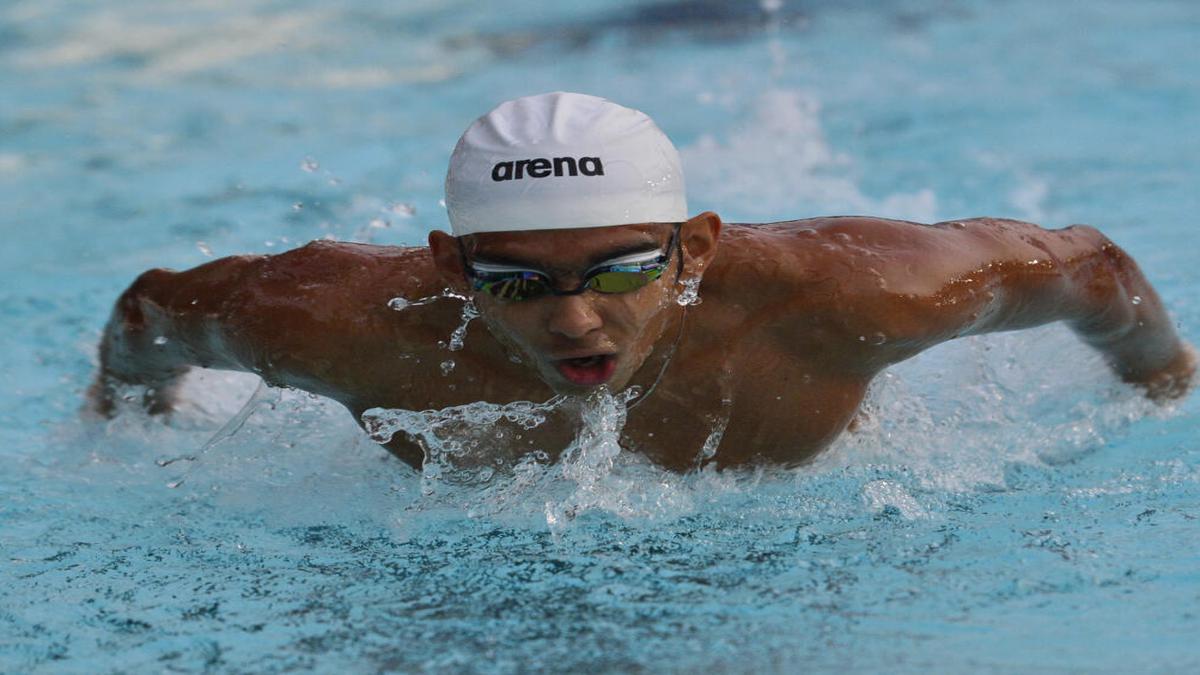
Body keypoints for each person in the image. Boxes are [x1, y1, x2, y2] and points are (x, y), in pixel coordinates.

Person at [88, 92, 1196, 470]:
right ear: (447, 266)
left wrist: (1167, 388)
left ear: (697, 250)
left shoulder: (854, 295)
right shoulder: (330, 320)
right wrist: (123, 422)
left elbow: (1089, 270)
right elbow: (151, 314)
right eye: (515, 282)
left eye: (618, 270)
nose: (572, 317)